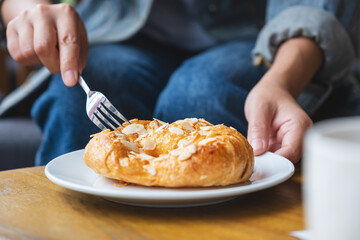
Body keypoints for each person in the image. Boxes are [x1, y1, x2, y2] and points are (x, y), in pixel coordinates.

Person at [0, 0, 358, 165]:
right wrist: (30, 12)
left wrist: (281, 80)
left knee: (201, 94)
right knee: (73, 101)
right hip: (119, 32)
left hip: (256, 35)